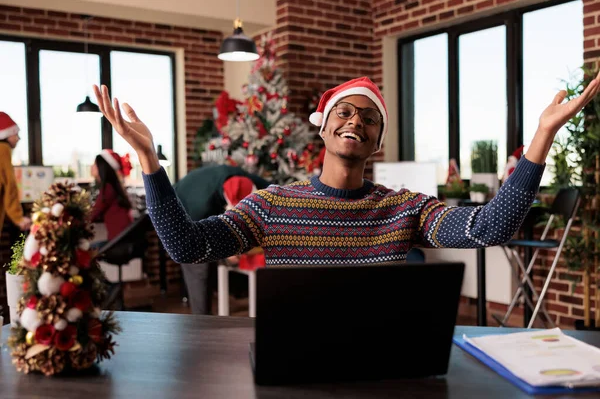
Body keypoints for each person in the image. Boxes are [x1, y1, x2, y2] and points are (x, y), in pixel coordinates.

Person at [92, 72, 600, 268]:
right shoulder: (272, 205)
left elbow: (490, 228)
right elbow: (185, 246)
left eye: (370, 117)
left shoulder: (405, 208)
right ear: (324, 129)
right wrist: (149, 162)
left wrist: (542, 137)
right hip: (295, 362)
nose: (356, 119)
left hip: (387, 362)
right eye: (344, 111)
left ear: (376, 142)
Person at [174, 165, 270, 314]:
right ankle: (201, 321)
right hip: (182, 209)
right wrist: (228, 251)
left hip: (211, 197)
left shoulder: (258, 183)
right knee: (199, 268)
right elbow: (198, 236)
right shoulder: (201, 205)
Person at [90, 149, 133, 247]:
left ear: (102, 167)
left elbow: (94, 213)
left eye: (95, 164)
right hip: (123, 240)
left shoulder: (108, 189)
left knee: (86, 251)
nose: (92, 167)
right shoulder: (113, 187)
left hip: (117, 243)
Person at [0, 112, 31, 233]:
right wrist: (18, 217)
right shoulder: (3, 149)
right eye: (15, 134)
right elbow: (9, 184)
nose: (18, 138)